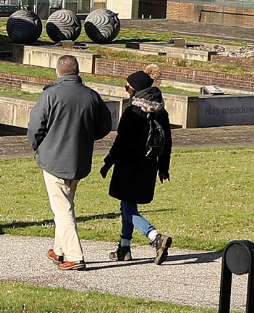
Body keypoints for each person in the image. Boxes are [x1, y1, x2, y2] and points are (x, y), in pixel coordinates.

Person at [26, 54, 114, 270]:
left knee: (62, 209)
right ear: (77, 71)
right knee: (65, 204)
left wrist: (37, 146)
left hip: (53, 159)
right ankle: (59, 250)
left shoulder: (50, 95)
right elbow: (105, 125)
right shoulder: (92, 96)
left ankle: (75, 256)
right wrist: (86, 138)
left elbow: (36, 126)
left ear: (57, 72)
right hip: (79, 159)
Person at [100, 70, 174, 263]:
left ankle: (155, 237)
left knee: (128, 207)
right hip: (149, 166)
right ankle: (124, 248)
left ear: (134, 89)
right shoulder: (161, 112)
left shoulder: (132, 112)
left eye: (127, 86)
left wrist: (108, 162)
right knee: (127, 205)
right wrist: (163, 168)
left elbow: (121, 142)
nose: (126, 89)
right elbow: (167, 143)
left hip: (128, 165)